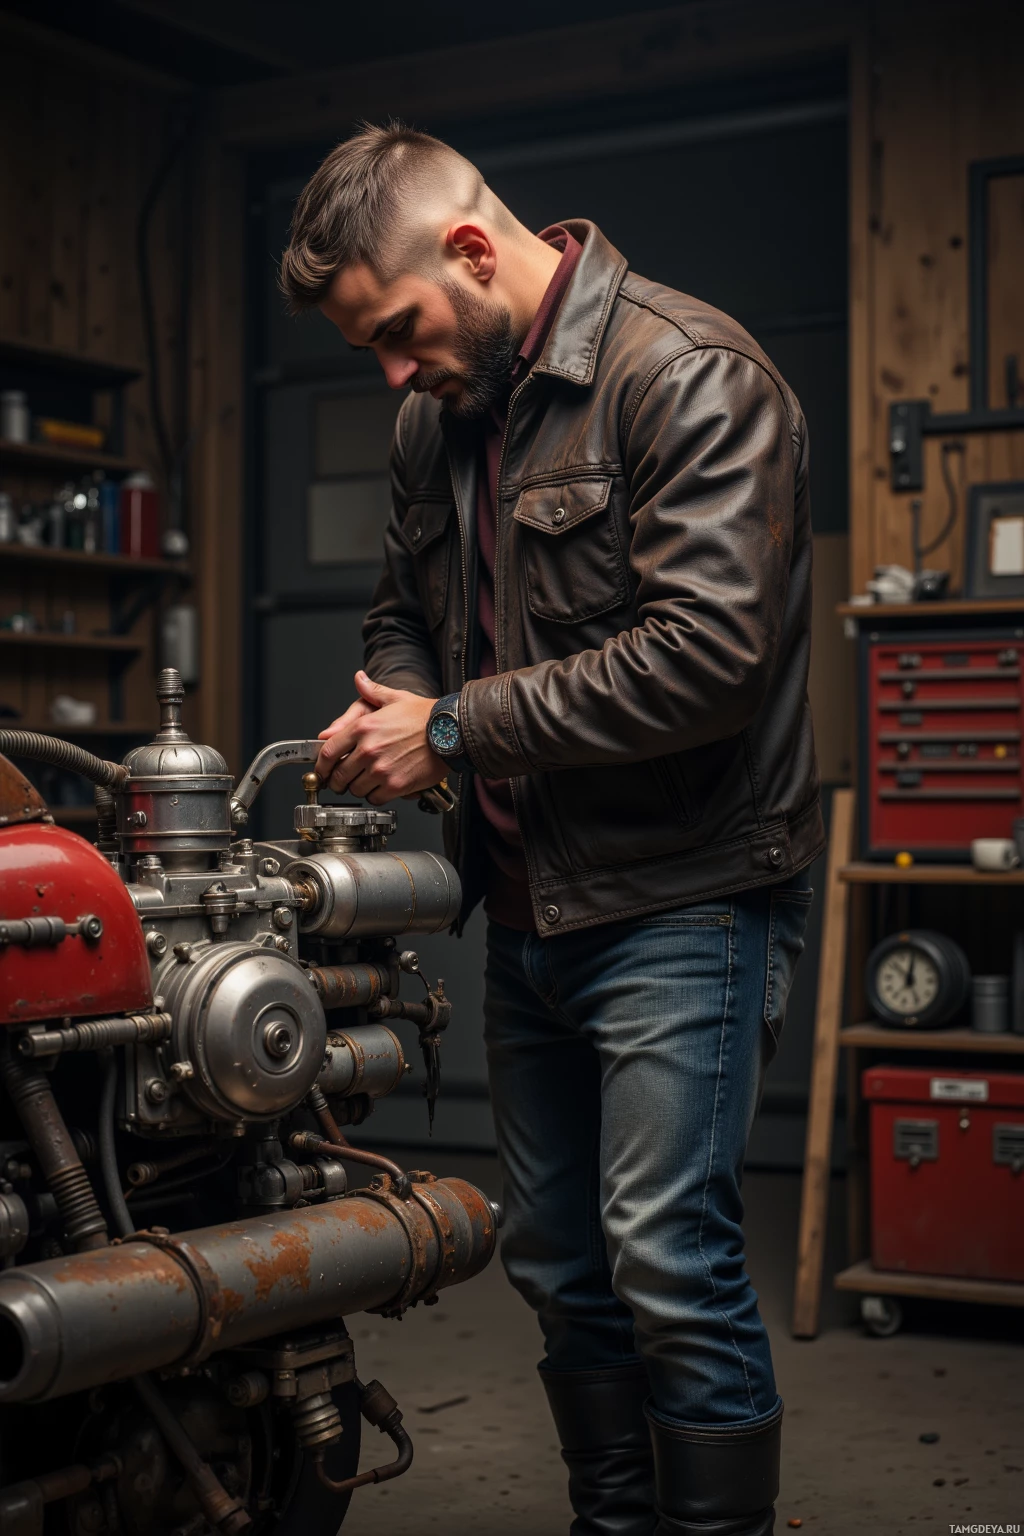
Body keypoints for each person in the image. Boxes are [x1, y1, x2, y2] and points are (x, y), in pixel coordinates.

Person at [280, 122, 824, 1536]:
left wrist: (452, 731)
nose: (394, 372)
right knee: (559, 1259)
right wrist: (399, 689)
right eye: (371, 350)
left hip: (688, 896)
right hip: (530, 907)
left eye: (397, 330)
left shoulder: (688, 374)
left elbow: (711, 657)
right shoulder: (435, 417)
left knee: (666, 1258)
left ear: (473, 250)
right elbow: (408, 605)